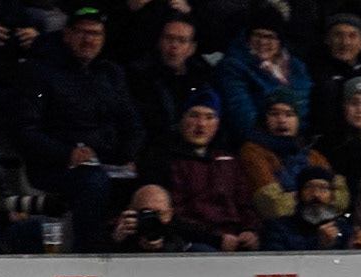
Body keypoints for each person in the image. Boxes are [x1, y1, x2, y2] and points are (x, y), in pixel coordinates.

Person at [13, 5, 143, 252]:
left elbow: (133, 124)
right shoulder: (39, 72)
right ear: (67, 34)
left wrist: (129, 156)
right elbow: (25, 130)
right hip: (55, 167)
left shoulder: (111, 73)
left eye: (95, 34)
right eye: (83, 33)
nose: (89, 40)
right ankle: (88, 254)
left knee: (153, 181)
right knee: (93, 183)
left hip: (108, 163)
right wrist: (67, 153)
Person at [137, 88, 259, 251]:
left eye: (209, 117)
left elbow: (245, 203)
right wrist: (215, 239)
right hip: (191, 241)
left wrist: (250, 230)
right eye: (194, 115)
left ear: (217, 123)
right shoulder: (162, 158)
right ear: (182, 118)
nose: (201, 124)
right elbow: (169, 216)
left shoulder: (228, 160)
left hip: (233, 239)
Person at [238, 88, 346, 223]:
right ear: (264, 118)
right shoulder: (253, 151)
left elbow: (342, 197)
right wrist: (316, 199)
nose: (282, 120)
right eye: (274, 114)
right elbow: (273, 206)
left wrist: (295, 197)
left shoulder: (312, 154)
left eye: (289, 115)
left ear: (298, 120)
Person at [214, 7, 312, 145]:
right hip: (255, 144)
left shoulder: (296, 67)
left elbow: (303, 107)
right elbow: (240, 114)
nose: (263, 42)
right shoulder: (234, 66)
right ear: (248, 37)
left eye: (270, 37)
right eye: (257, 35)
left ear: (280, 41)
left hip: (295, 142)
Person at [126, 15, 219, 146]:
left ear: (192, 48)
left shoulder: (202, 75)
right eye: (169, 38)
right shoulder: (139, 74)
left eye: (182, 41)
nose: (174, 45)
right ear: (159, 41)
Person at [262, 165, 358, 249]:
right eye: (309, 188)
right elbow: (277, 262)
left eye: (323, 188)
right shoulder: (279, 229)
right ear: (298, 195)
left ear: (332, 197)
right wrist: (319, 246)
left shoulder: (344, 229)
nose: (316, 194)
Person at [107, 182, 193, 251]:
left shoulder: (177, 228)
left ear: (169, 214)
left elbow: (203, 238)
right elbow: (96, 250)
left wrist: (168, 246)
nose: (152, 217)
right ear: (131, 210)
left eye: (158, 213)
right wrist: (114, 240)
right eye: (146, 212)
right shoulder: (119, 229)